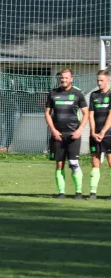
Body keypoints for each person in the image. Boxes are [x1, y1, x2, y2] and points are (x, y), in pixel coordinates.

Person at [44, 68, 88, 199]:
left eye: (66, 78)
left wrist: (79, 130)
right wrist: (53, 130)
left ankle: (78, 192)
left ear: (71, 79)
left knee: (74, 163)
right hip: (58, 135)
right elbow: (47, 113)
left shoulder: (77, 94)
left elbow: (86, 113)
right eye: (61, 78)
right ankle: (61, 192)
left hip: (73, 135)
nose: (63, 80)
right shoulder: (53, 93)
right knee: (59, 164)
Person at [87, 69, 111, 200]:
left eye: (101, 80)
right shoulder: (94, 95)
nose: (99, 83)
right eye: (98, 80)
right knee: (95, 163)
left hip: (109, 134)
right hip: (95, 134)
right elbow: (90, 114)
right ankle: (92, 193)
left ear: (108, 80)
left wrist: (102, 132)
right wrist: (93, 131)